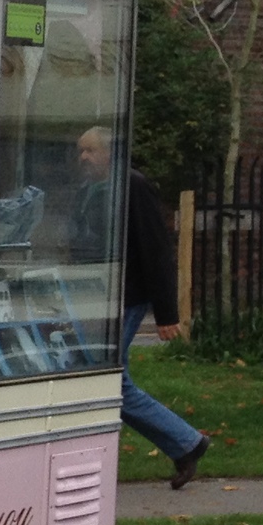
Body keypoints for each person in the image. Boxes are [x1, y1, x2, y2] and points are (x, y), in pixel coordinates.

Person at [78, 126, 209, 491]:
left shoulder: (132, 187)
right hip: (98, 296)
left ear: (109, 153)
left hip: (128, 297)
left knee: (104, 377)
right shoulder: (91, 190)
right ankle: (187, 444)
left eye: (90, 151)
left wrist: (167, 314)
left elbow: (155, 250)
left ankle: (187, 443)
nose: (83, 158)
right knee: (108, 379)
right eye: (80, 152)